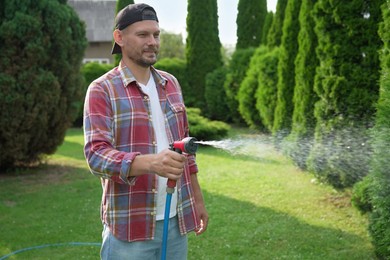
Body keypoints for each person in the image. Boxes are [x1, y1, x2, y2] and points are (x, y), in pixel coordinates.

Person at [83, 3, 208, 259]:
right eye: (142, 35)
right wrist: (151, 163)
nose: (152, 42)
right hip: (129, 227)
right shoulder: (102, 89)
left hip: (175, 222)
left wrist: (197, 200)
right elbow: (96, 156)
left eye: (156, 34)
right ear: (119, 37)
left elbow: (187, 151)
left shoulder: (170, 83)